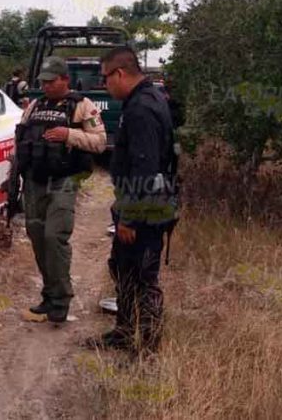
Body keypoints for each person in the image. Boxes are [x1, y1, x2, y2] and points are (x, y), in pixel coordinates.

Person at [87, 45, 177, 354]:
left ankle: (148, 350)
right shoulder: (145, 99)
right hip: (145, 204)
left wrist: (128, 218)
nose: (104, 85)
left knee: (143, 279)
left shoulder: (141, 108)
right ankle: (124, 333)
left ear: (120, 73)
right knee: (123, 268)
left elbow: (145, 168)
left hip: (144, 210)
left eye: (105, 78)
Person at [15, 56, 106, 322]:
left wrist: (68, 135)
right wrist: (11, 178)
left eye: (51, 81)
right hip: (34, 181)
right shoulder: (34, 106)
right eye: (42, 82)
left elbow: (100, 142)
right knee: (38, 237)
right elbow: (20, 141)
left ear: (65, 79)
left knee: (55, 237)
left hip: (64, 180)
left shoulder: (82, 106)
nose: (45, 86)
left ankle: (61, 299)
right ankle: (49, 294)